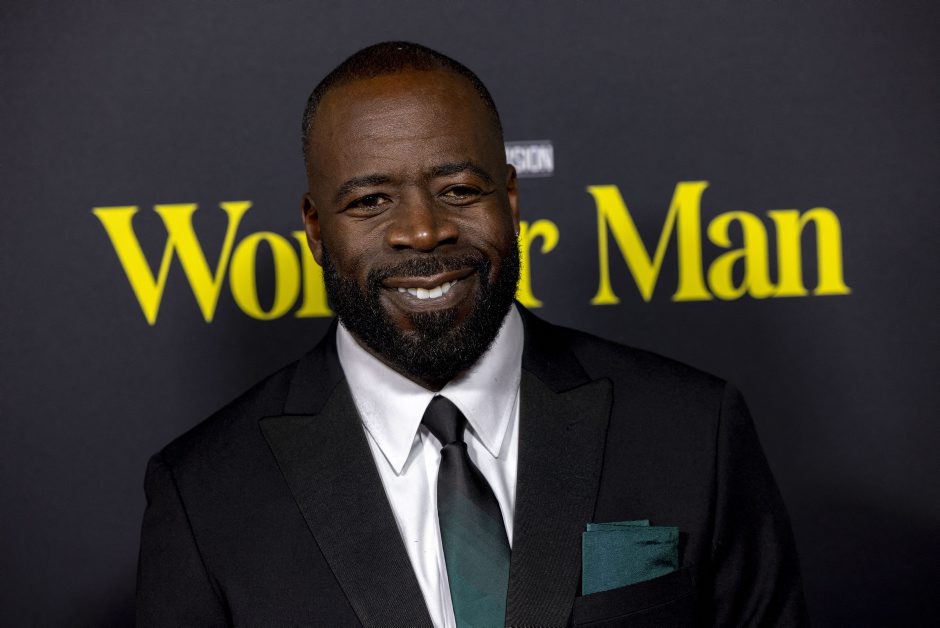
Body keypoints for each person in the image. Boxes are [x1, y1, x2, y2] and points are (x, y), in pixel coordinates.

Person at [137, 41, 808, 627]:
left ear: (509, 200)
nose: (423, 231)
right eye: (370, 201)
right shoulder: (204, 494)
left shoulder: (692, 428)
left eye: (458, 189)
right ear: (315, 228)